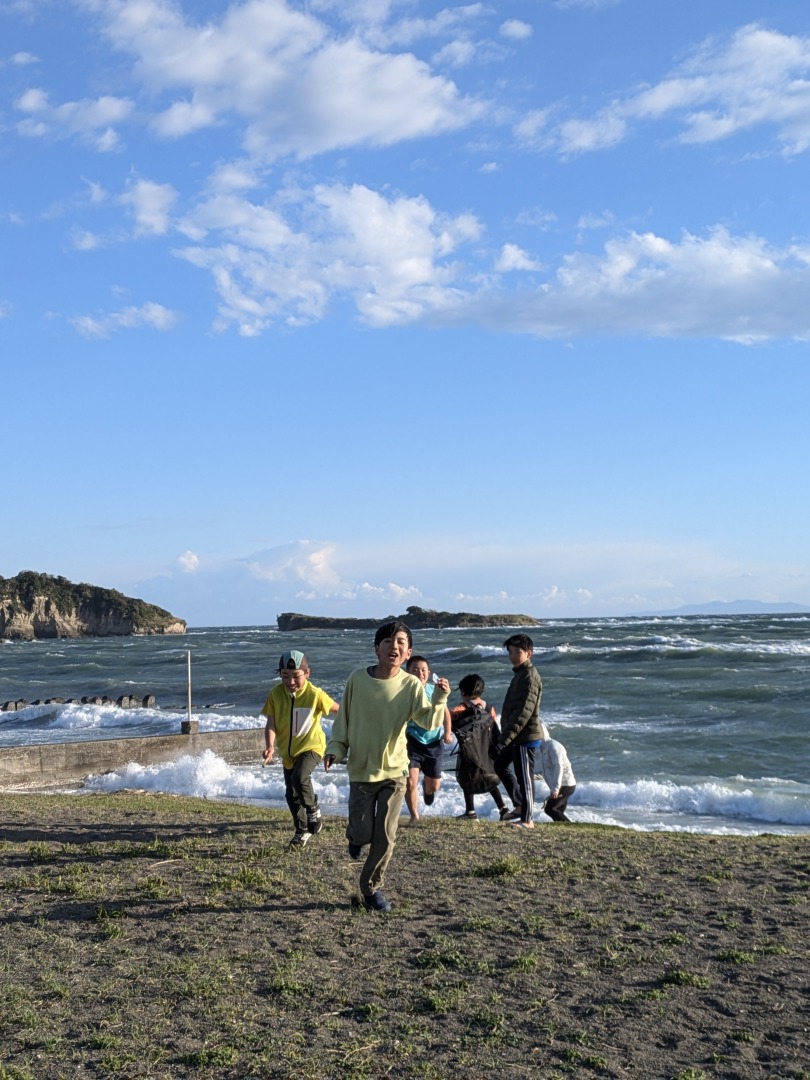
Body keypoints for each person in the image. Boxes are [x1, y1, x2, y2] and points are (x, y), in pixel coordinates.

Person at [324, 620, 450, 913]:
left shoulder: (411, 684)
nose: (394, 647)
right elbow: (343, 721)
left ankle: (370, 889)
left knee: (386, 834)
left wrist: (440, 698)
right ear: (376, 649)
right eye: (388, 642)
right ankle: (356, 837)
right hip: (361, 770)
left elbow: (427, 722)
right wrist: (336, 749)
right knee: (362, 831)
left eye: (401, 642)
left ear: (408, 653)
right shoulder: (357, 679)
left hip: (396, 771)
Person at [260, 649, 339, 849]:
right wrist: (270, 746)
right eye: (285, 676)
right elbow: (271, 724)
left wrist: (350, 728)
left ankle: (313, 809)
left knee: (300, 777)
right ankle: (301, 830)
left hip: (312, 747)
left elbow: (339, 710)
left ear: (307, 673)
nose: (291, 681)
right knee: (291, 795)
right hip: (288, 754)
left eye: (296, 676)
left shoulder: (315, 694)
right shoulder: (276, 694)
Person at [494, 633, 544, 829]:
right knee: (500, 765)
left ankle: (527, 819)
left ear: (529, 653)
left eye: (518, 652)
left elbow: (524, 712)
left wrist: (504, 738)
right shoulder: (520, 674)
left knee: (525, 778)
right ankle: (520, 804)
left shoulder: (529, 676)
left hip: (525, 736)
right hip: (515, 736)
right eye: (510, 652)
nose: (513, 656)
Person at [449, 673, 508, 820]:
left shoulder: (460, 709)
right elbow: (493, 727)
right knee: (488, 776)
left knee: (467, 777)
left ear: (463, 692)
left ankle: (470, 812)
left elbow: (448, 722)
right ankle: (503, 808)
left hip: (469, 750)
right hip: (487, 749)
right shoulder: (489, 708)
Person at [404, 655, 452, 825]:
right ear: (407, 673)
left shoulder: (434, 690)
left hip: (433, 742)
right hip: (411, 741)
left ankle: (427, 787)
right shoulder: (404, 692)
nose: (420, 673)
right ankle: (414, 816)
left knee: (434, 786)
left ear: (429, 673)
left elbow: (445, 712)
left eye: (423, 670)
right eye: (415, 670)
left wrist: (447, 732)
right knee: (410, 782)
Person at [536, 735, 577, 822]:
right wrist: (533, 776)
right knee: (557, 812)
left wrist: (556, 789)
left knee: (550, 809)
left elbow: (558, 767)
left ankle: (571, 826)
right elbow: (547, 769)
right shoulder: (543, 747)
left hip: (566, 784)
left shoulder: (553, 746)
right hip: (561, 785)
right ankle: (565, 828)